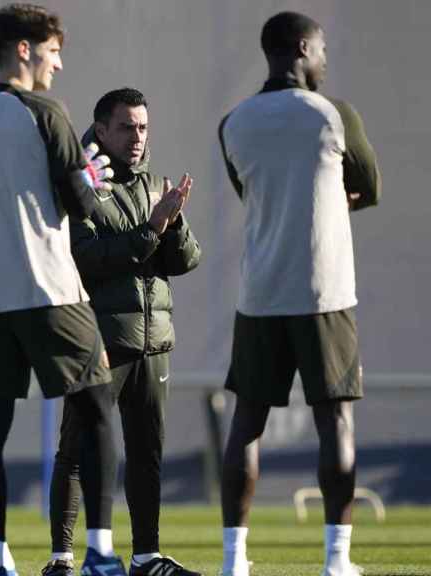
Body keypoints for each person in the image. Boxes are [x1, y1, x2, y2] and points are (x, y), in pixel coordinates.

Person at [0, 5, 117, 576]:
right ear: (24, 50)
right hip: (50, 290)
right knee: (96, 411)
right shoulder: (45, 110)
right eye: (53, 50)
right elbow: (82, 205)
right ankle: (101, 555)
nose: (59, 63)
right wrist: (91, 177)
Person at [217, 11, 381, 576]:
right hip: (324, 292)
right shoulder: (334, 114)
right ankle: (338, 561)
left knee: (246, 423)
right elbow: (370, 185)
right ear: (304, 48)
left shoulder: (233, 123)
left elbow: (248, 190)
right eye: (323, 50)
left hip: (260, 293)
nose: (326, 60)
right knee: (334, 421)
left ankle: (233, 561)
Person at [42, 88, 202, 576]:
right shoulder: (85, 184)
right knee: (80, 449)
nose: (138, 137)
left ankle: (146, 556)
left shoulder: (156, 183)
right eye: (127, 127)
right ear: (103, 130)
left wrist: (169, 225)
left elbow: (187, 259)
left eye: (144, 127)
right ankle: (63, 559)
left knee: (147, 451)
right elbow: (84, 258)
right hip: (102, 339)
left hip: (154, 340)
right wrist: (150, 231)